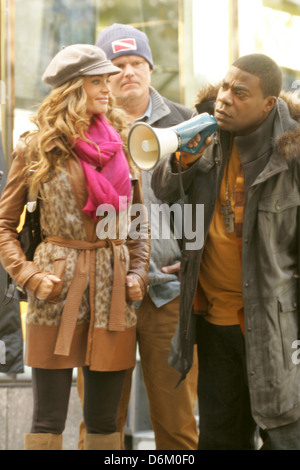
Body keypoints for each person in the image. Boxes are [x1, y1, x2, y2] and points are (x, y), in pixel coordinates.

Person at [0, 44, 150, 450]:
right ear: (71, 89)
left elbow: (137, 224)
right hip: (56, 289)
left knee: (103, 419)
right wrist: (29, 275)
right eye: (97, 81)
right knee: (47, 418)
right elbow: (3, 226)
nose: (109, 87)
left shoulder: (123, 141)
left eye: (108, 80)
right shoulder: (36, 148)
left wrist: (138, 273)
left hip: (113, 292)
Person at [151, 53, 300, 450]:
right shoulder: (208, 136)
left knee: (283, 434)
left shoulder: (292, 153)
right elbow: (162, 188)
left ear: (269, 104)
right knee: (220, 439)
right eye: (223, 86)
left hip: (274, 329)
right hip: (215, 325)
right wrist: (183, 157)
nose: (224, 98)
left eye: (240, 92)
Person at [79, 23, 198, 451]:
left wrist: (196, 256)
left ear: (150, 68)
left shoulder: (186, 123)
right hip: (104, 293)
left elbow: (208, 199)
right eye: (116, 65)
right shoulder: (82, 126)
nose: (127, 72)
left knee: (177, 424)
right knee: (99, 424)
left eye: (136, 63)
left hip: (168, 293)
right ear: (101, 76)